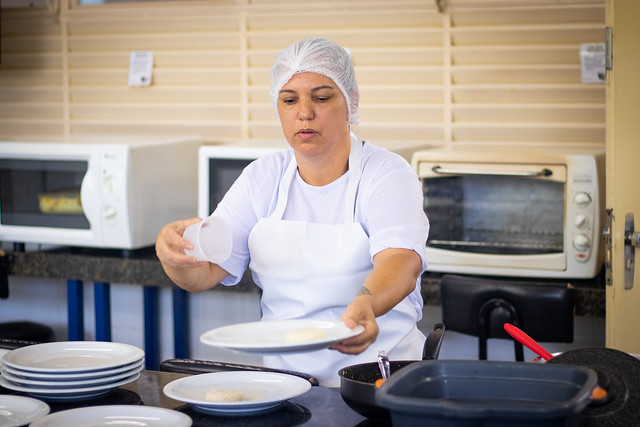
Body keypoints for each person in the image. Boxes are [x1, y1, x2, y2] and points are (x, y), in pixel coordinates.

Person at [156, 37, 429, 387]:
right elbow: (204, 273)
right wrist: (174, 255)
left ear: (351, 102)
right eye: (289, 100)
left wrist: (366, 303)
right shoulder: (261, 177)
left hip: (378, 377)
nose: (304, 112)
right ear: (278, 107)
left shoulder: (387, 173)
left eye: (321, 97)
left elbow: (400, 262)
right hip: (285, 381)